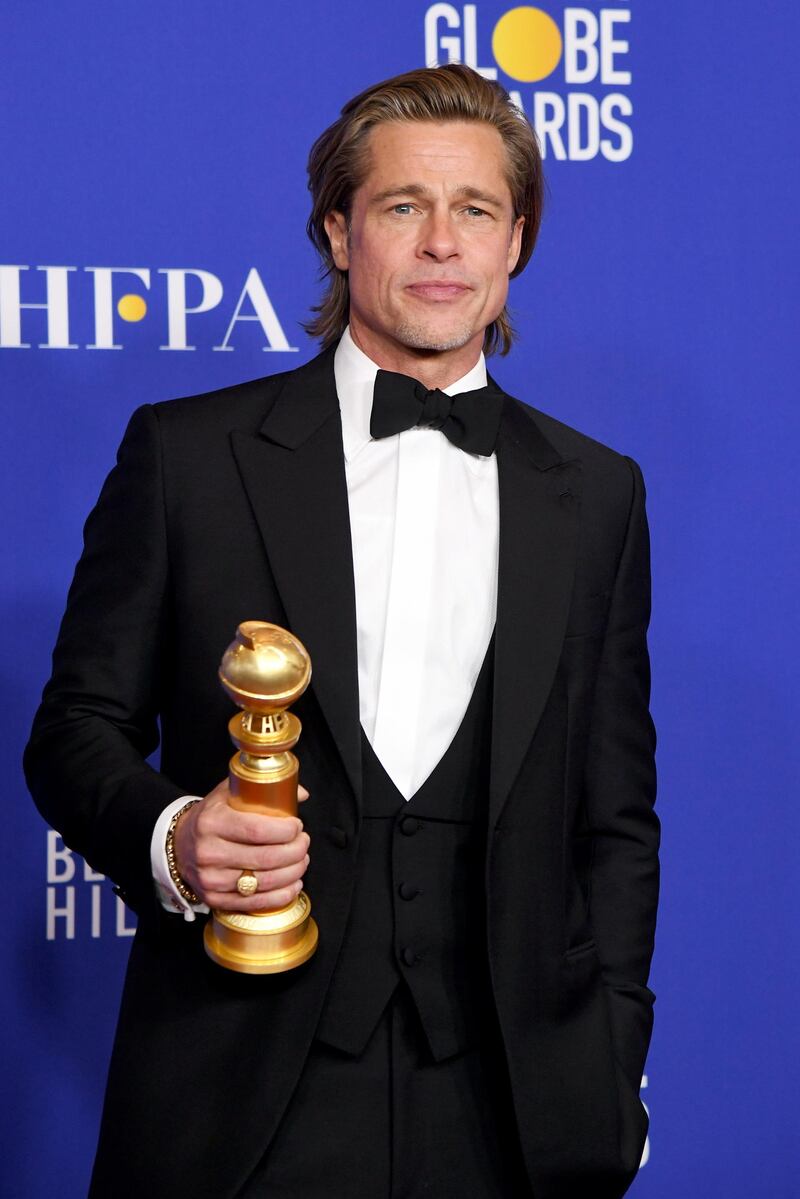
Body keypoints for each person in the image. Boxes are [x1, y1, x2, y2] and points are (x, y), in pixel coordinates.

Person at [25, 63, 659, 1199]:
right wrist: (173, 835)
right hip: (239, 1084)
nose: (439, 243)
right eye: (401, 206)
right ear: (337, 231)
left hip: (514, 1102)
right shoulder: (190, 457)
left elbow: (612, 816)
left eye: (474, 210)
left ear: (514, 242)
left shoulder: (597, 492)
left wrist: (610, 1058)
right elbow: (74, 729)